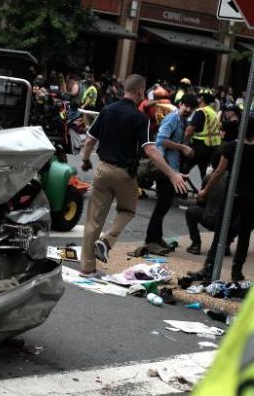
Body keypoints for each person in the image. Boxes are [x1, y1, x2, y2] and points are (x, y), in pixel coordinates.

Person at [79, 74, 187, 275]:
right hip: (124, 173)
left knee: (93, 220)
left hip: (102, 169)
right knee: (127, 210)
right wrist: (172, 174)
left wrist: (85, 160)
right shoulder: (141, 118)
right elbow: (150, 150)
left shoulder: (107, 110)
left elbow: (89, 140)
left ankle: (87, 267)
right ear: (139, 92)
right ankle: (106, 241)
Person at [189, 118, 254, 282]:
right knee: (245, 234)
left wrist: (204, 190)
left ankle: (209, 267)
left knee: (220, 232)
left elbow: (218, 173)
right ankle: (236, 271)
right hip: (251, 197)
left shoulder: (232, 147)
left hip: (234, 194)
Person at [141, 94, 197, 255]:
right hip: (165, 169)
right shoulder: (172, 119)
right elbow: (161, 140)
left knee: (164, 205)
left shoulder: (182, 121)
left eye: (191, 107)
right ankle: (151, 241)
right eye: (186, 105)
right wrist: (182, 147)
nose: (188, 109)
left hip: (172, 169)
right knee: (161, 206)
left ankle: (157, 238)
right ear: (180, 104)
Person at [185, 168, 235, 256]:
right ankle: (226, 244)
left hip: (213, 219)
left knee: (190, 211)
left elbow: (201, 201)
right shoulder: (237, 180)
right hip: (231, 224)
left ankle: (196, 244)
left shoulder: (209, 178)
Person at [185, 92, 222, 181]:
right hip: (211, 147)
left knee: (186, 168)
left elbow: (189, 131)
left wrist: (184, 142)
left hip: (199, 146)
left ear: (201, 99)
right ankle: (200, 191)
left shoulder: (201, 111)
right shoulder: (213, 112)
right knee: (202, 170)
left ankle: (182, 191)